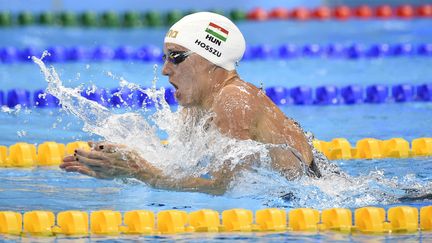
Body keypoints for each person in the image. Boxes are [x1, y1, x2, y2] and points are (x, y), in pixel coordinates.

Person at [60, 12, 320, 195]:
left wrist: (142, 172)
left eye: (176, 57)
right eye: (165, 57)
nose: (165, 70)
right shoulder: (196, 107)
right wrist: (123, 162)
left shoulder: (234, 99)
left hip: (311, 199)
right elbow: (181, 168)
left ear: (210, 59)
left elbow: (225, 187)